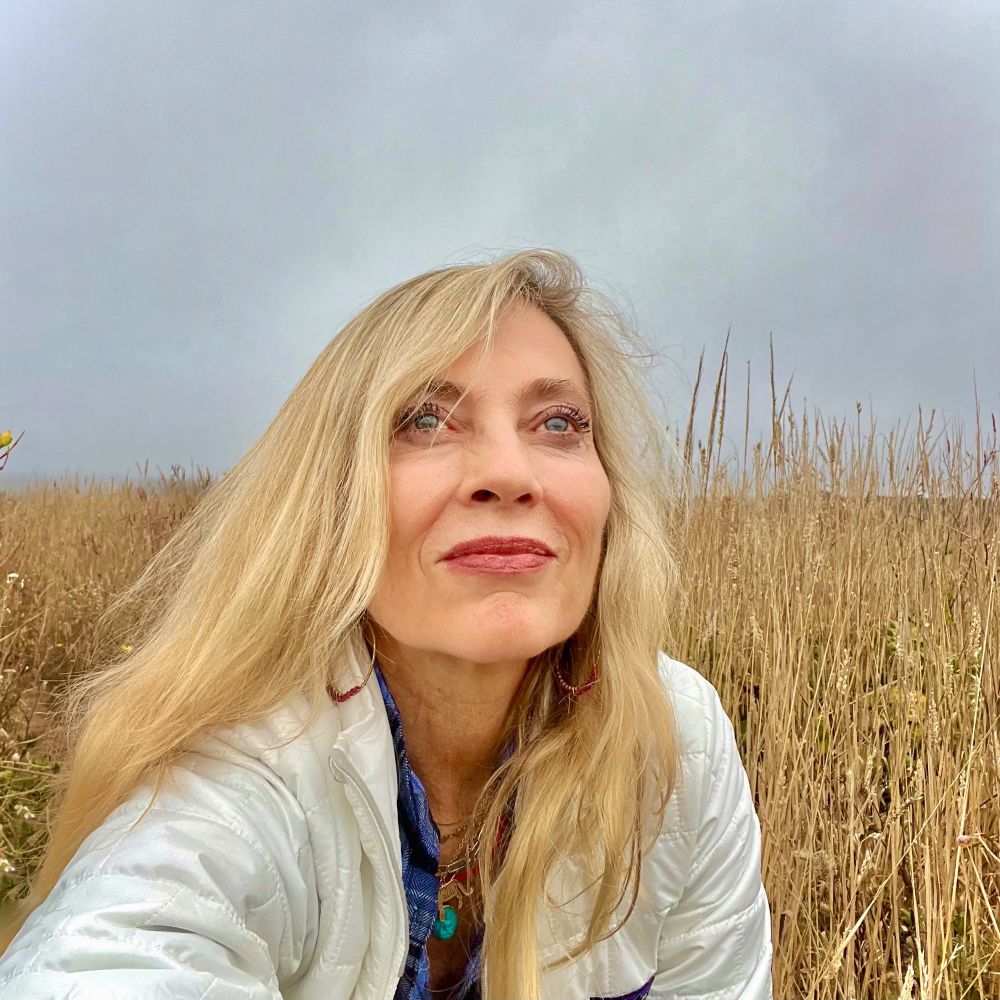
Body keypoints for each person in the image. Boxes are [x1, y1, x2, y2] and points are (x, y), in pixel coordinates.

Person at [0, 249, 772, 999]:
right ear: (332, 500)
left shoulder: (675, 742)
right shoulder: (241, 779)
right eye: (426, 420)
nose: (508, 473)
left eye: (559, 422)